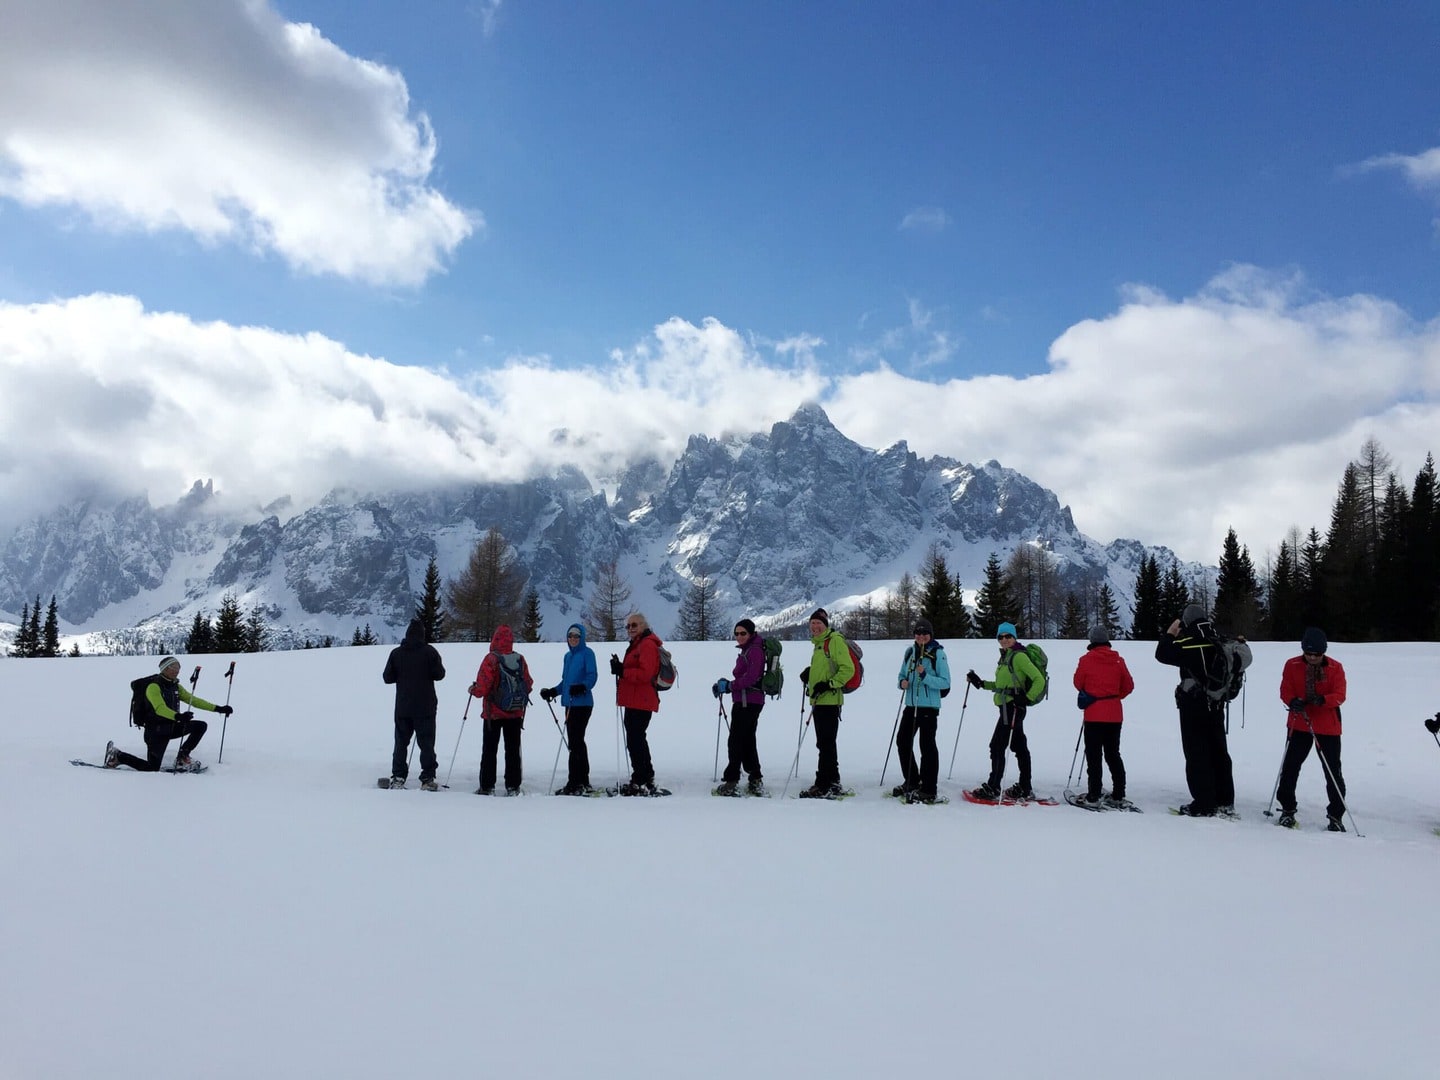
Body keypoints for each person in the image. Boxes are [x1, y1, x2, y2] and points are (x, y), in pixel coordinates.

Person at [1154, 603, 1235, 817]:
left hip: (1193, 704)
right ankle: (1225, 799)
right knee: (1219, 751)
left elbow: (1162, 654)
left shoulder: (1189, 642)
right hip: (1217, 702)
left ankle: (1204, 802)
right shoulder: (1219, 640)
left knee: (1196, 752)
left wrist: (1170, 633)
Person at [1276, 627, 1349, 831]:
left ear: (1323, 652)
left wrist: (1323, 700)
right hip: (1299, 723)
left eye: (1316, 654)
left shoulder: (1335, 667)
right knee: (1290, 767)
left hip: (1327, 726)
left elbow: (1340, 694)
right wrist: (1292, 700)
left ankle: (1336, 815)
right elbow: (1285, 689)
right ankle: (1287, 809)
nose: (1312, 657)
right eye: (1308, 653)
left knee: (1332, 771)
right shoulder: (1292, 664)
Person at [104, 656, 232, 772]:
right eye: (173, 667)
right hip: (155, 732)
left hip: (171, 727)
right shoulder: (153, 686)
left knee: (200, 726)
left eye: (178, 667)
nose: (177, 670)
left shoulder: (175, 686)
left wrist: (218, 708)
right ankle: (118, 756)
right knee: (152, 768)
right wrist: (178, 716)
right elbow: (159, 708)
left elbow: (194, 700)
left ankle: (182, 757)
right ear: (164, 669)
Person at [965, 622, 1046, 800]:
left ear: (1014, 637)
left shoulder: (1019, 657)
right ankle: (1025, 787)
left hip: (1013, 708)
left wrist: (1026, 698)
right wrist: (981, 683)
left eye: (1008, 636)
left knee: (997, 746)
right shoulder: (1006, 657)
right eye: (1000, 637)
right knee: (1019, 746)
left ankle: (994, 787)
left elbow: (1038, 679)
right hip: (1008, 708)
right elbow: (1002, 686)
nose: (1004, 640)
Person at [1071, 625, 1135, 807]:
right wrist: (1114, 697)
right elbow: (1128, 685)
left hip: (1093, 713)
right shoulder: (1118, 660)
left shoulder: (1086, 659)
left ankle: (1094, 793)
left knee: (1093, 755)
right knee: (1113, 754)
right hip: (1115, 713)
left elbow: (1078, 682)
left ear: (1091, 641)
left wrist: (1094, 694)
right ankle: (1118, 792)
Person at [380, 617, 446, 790]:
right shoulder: (430, 652)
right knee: (427, 743)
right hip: (426, 707)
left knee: (401, 743)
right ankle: (427, 778)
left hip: (403, 707)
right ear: (422, 635)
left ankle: (399, 776)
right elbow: (440, 674)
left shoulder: (396, 653)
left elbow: (387, 678)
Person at [890, 619, 951, 803]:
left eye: (925, 633)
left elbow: (945, 682)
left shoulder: (938, 653)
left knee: (927, 746)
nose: (921, 637)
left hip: (929, 707)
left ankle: (929, 788)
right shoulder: (910, 652)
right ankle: (912, 780)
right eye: (918, 633)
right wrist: (902, 683)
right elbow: (901, 675)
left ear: (931, 635)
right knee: (903, 741)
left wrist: (925, 676)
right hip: (911, 705)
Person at [468, 624, 533, 795]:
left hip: (493, 714)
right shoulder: (519, 659)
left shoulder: (491, 659)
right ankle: (513, 786)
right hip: (515, 713)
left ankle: (487, 786)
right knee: (512, 750)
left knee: (490, 749)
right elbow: (528, 684)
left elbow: (482, 688)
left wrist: (473, 690)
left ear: (495, 639)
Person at [798, 608, 855, 799]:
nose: (815, 626)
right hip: (820, 701)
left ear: (825, 625)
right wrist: (810, 674)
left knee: (825, 744)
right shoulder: (819, 644)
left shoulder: (834, 641)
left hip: (829, 702)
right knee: (826, 743)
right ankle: (833, 781)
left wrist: (829, 685)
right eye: (812, 623)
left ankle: (822, 785)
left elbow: (848, 669)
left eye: (818, 623)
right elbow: (826, 668)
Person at [610, 612, 665, 796]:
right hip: (636, 699)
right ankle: (645, 776)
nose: (630, 629)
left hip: (641, 700)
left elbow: (645, 674)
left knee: (635, 740)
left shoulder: (647, 645)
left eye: (634, 625)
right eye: (628, 626)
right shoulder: (639, 644)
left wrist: (622, 671)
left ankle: (640, 780)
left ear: (643, 626)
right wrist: (621, 668)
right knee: (637, 739)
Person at [540, 623, 598, 795]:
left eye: (576, 636)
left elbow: (592, 676)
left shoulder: (587, 653)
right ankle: (581, 780)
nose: (573, 639)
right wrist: (553, 691)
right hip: (570, 704)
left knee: (576, 741)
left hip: (583, 704)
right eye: (570, 636)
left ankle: (576, 782)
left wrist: (583, 687)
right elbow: (565, 682)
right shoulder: (568, 657)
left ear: (582, 638)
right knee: (575, 742)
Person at [712, 618, 767, 796]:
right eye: (736, 633)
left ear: (751, 633)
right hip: (748, 700)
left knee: (736, 740)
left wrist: (729, 686)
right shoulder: (749, 649)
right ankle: (755, 778)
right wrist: (729, 686)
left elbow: (751, 677)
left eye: (743, 633)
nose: (739, 636)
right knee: (747, 739)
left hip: (747, 702)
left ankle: (732, 780)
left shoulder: (755, 650)